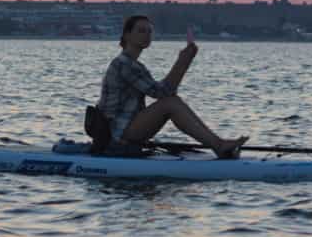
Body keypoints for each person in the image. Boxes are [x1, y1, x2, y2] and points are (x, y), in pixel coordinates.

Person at [96, 15, 248, 158]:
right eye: (141, 31)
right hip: (117, 134)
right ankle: (218, 145)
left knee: (172, 101)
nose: (147, 35)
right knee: (170, 103)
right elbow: (161, 93)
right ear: (127, 35)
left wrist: (184, 60)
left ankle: (217, 144)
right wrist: (183, 60)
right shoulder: (124, 64)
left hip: (125, 129)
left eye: (150, 31)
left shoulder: (135, 65)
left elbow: (165, 91)